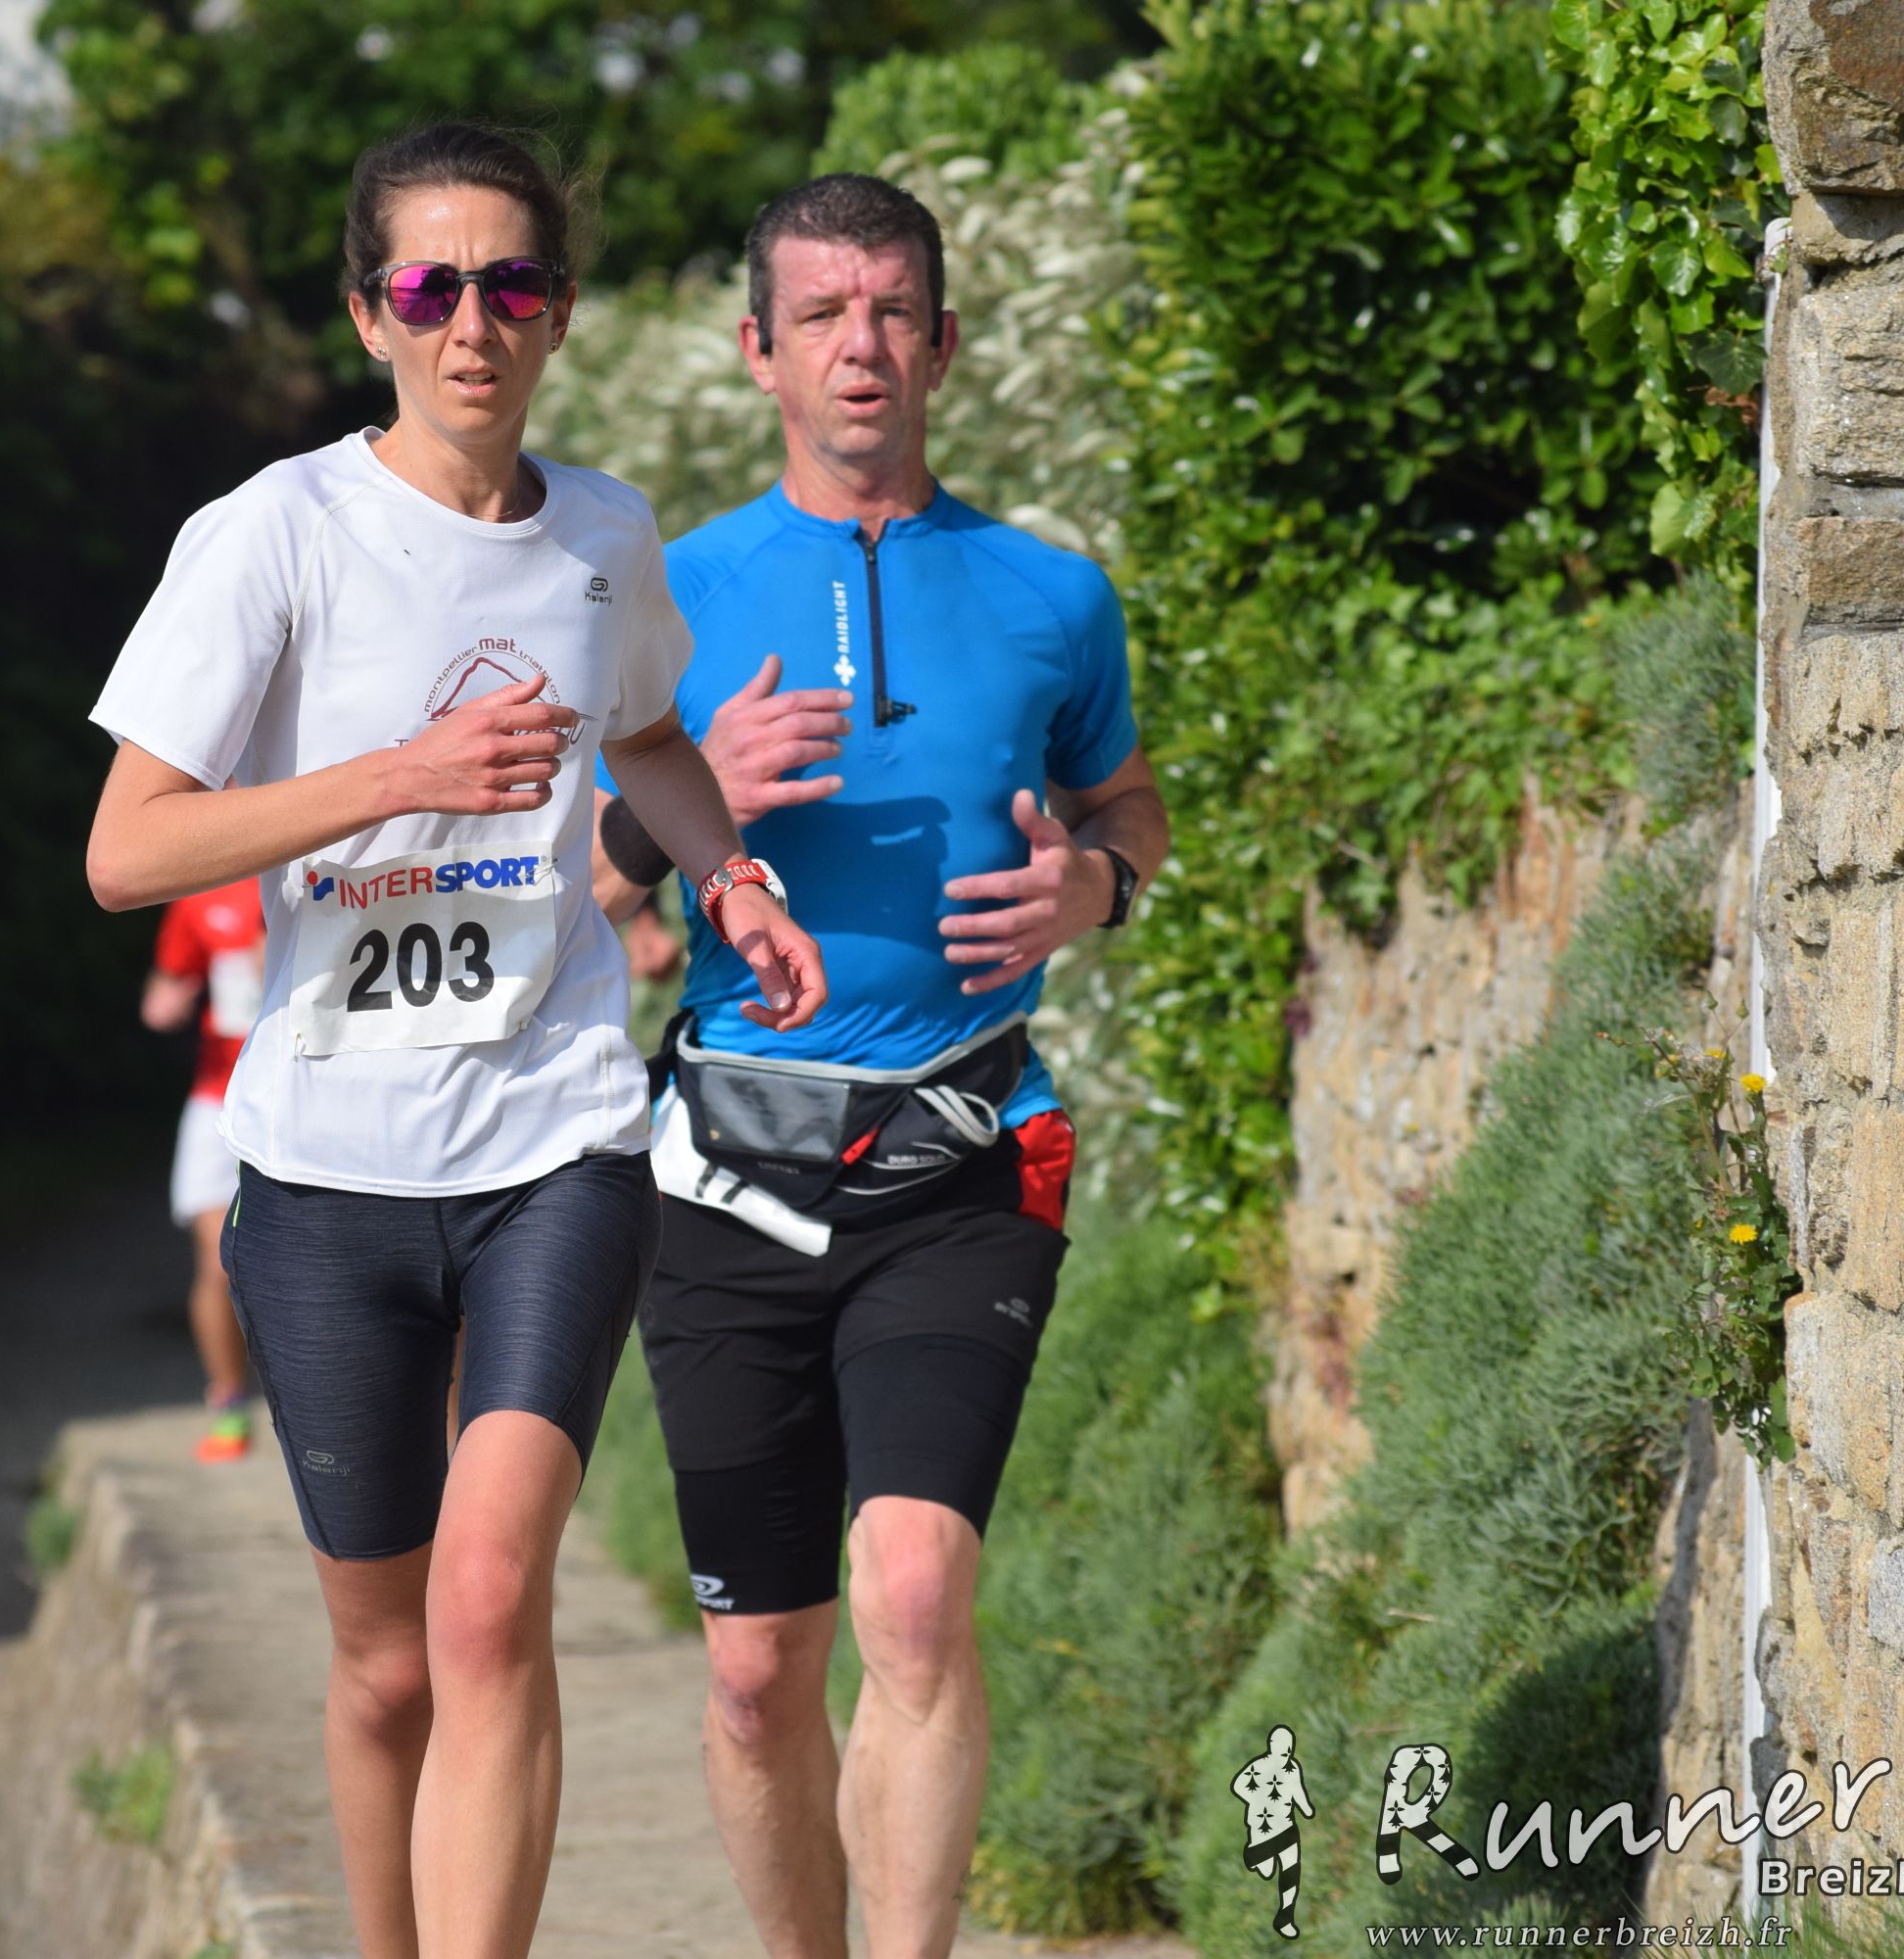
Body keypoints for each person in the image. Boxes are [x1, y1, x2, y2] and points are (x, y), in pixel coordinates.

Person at [83, 123, 829, 1959]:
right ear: (369, 315)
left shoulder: (603, 536)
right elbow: (125, 852)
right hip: (323, 1169)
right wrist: (397, 776)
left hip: (552, 1137)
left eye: (512, 284)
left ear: (558, 312)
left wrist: (728, 878)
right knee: (386, 1664)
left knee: (491, 1601)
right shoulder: (273, 536)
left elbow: (647, 737)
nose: (471, 323)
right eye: (428, 287)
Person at [592, 172, 1171, 1959]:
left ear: (944, 342)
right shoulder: (669, 592)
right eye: (823, 315)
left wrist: (1096, 887)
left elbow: (1125, 808)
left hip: (963, 1156)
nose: (862, 346)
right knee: (758, 1671)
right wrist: (692, 804)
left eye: (894, 311)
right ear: (757, 351)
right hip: (726, 1177)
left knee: (913, 1595)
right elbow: (578, 889)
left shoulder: (1053, 594)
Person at [140, 875, 263, 1461]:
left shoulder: (322, 864)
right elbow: (167, 981)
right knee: (218, 1261)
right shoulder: (204, 889)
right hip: (218, 1095)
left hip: (305, 1093)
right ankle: (229, 1402)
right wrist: (162, 1005)